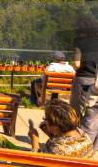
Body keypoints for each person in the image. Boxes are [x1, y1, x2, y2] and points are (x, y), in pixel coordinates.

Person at [28, 99, 94, 158]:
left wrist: (34, 140)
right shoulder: (83, 135)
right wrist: (52, 135)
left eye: (45, 119)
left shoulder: (56, 149)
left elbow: (38, 161)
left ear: (55, 126)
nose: (44, 121)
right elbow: (68, 142)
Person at [70, 15, 98, 150]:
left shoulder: (79, 41)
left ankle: (79, 148)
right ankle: (93, 149)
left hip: (84, 80)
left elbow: (76, 63)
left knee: (76, 113)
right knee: (94, 115)